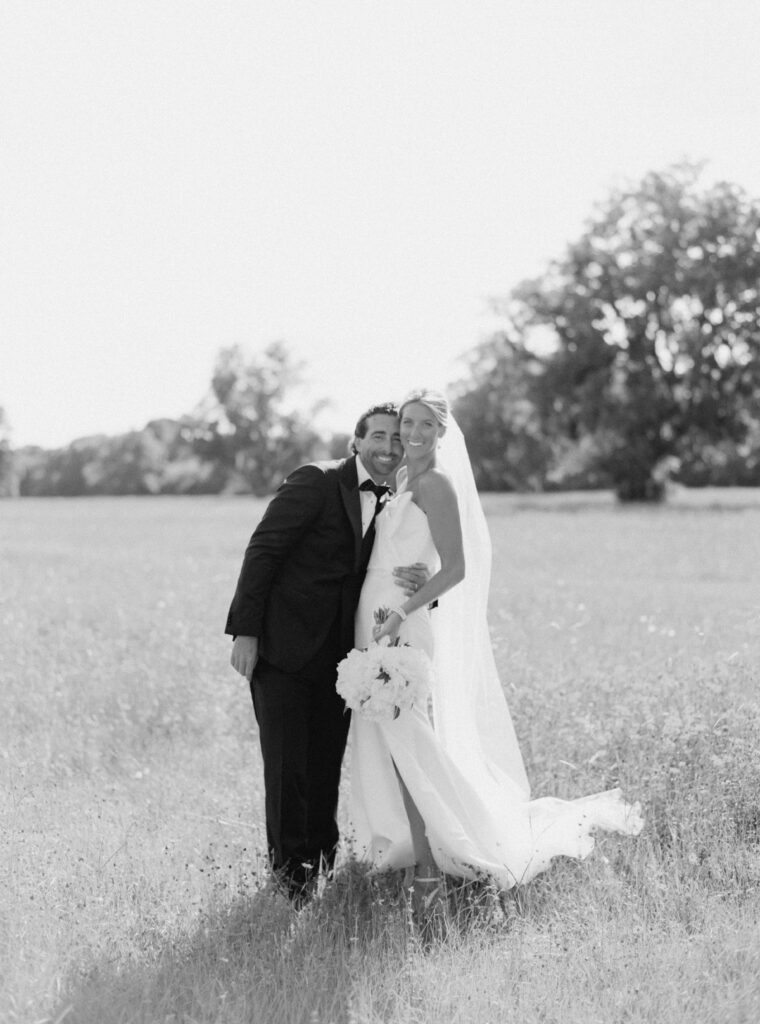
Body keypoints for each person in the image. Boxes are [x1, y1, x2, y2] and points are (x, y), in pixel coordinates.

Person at [347, 388, 643, 906]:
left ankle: (429, 867)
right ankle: (408, 846)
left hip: (401, 622)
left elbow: (457, 567)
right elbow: (410, 551)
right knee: (392, 744)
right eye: (405, 426)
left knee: (409, 742)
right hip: (374, 617)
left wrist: (403, 609)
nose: (412, 435)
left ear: (442, 433)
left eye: (423, 426)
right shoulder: (399, 479)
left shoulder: (437, 484)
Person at [225, 403, 428, 905]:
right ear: (355, 441)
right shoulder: (315, 482)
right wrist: (245, 633)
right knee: (286, 772)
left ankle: (321, 872)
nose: (387, 448)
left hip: (345, 663)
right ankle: (290, 887)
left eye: (396, 440)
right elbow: (264, 551)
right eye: (378, 437)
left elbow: (399, 569)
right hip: (285, 653)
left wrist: (426, 584)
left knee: (323, 772)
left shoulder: (401, 501)